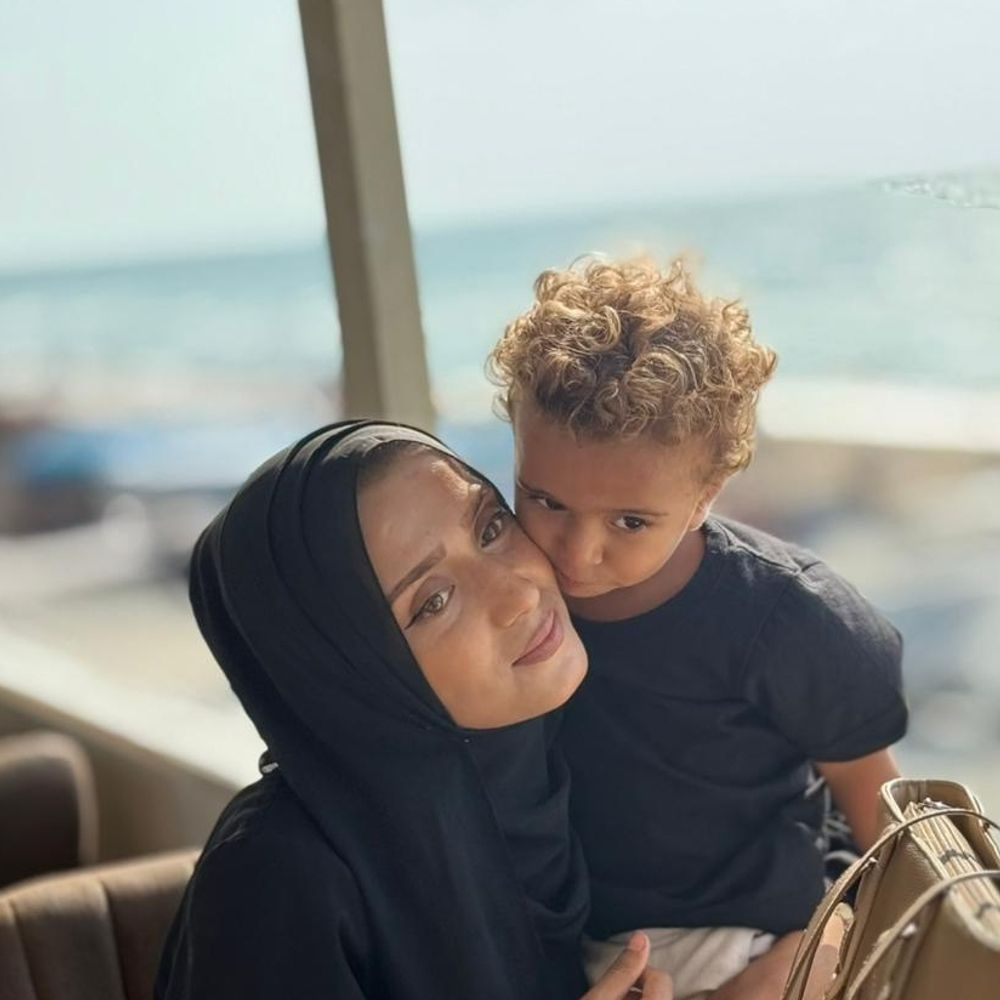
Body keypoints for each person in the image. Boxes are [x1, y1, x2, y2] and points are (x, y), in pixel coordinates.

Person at [488, 258, 908, 999]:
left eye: (630, 522)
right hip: (580, 945)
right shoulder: (506, 598)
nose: (577, 554)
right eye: (545, 500)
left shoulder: (788, 617)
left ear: (707, 495)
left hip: (753, 947)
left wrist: (827, 946)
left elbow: (880, 810)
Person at [155, 420, 672, 1000]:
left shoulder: (602, 742)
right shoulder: (275, 878)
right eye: (433, 602)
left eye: (491, 528)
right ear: (348, 679)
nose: (519, 593)